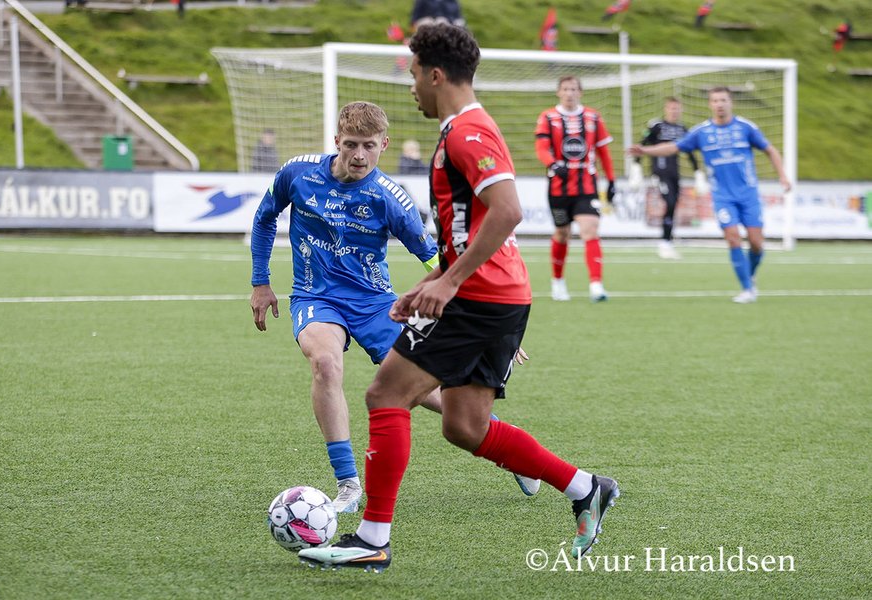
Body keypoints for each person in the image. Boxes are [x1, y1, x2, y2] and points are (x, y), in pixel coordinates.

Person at [298, 24, 618, 572]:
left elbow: (509, 211)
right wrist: (434, 280)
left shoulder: (468, 133)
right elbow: (470, 227)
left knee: (386, 393)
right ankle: (586, 487)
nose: (411, 87)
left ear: (435, 74)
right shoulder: (464, 128)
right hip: (498, 294)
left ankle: (372, 540)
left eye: (413, 75)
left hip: (480, 296)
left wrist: (449, 283)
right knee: (464, 425)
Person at [251, 101, 539, 515]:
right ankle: (348, 484)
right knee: (325, 364)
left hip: (375, 305)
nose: (359, 155)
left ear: (383, 145)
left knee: (429, 394)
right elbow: (264, 218)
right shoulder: (297, 173)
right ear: (336, 140)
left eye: (369, 146)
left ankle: (509, 449)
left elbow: (437, 258)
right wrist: (260, 282)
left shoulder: (390, 198)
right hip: (315, 297)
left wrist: (491, 318)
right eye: (351, 144)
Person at [630, 86, 791, 304]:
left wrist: (783, 176)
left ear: (731, 102)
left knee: (756, 243)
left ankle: (749, 274)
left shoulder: (746, 128)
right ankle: (747, 289)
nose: (719, 104)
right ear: (710, 104)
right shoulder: (702, 132)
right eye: (715, 101)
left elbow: (770, 150)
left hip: (749, 195)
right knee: (733, 237)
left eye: (723, 100)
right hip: (723, 197)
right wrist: (645, 150)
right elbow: (673, 147)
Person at [535, 76, 616, 302]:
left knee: (590, 229)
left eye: (573, 89)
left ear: (580, 92)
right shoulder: (548, 117)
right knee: (562, 234)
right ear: (558, 92)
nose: (569, 93)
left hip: (586, 186)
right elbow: (541, 148)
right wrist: (552, 164)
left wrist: (611, 180)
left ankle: (596, 286)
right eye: (565, 89)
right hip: (558, 188)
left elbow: (604, 152)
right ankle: (558, 281)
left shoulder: (593, 117)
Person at [638, 97, 700, 260]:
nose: (674, 112)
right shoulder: (656, 126)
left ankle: (667, 241)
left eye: (677, 109)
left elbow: (690, 152)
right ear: (666, 109)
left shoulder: (682, 129)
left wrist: (698, 172)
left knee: (673, 206)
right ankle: (665, 242)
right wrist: (636, 167)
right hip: (660, 173)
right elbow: (642, 144)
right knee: (670, 202)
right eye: (672, 108)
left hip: (674, 174)